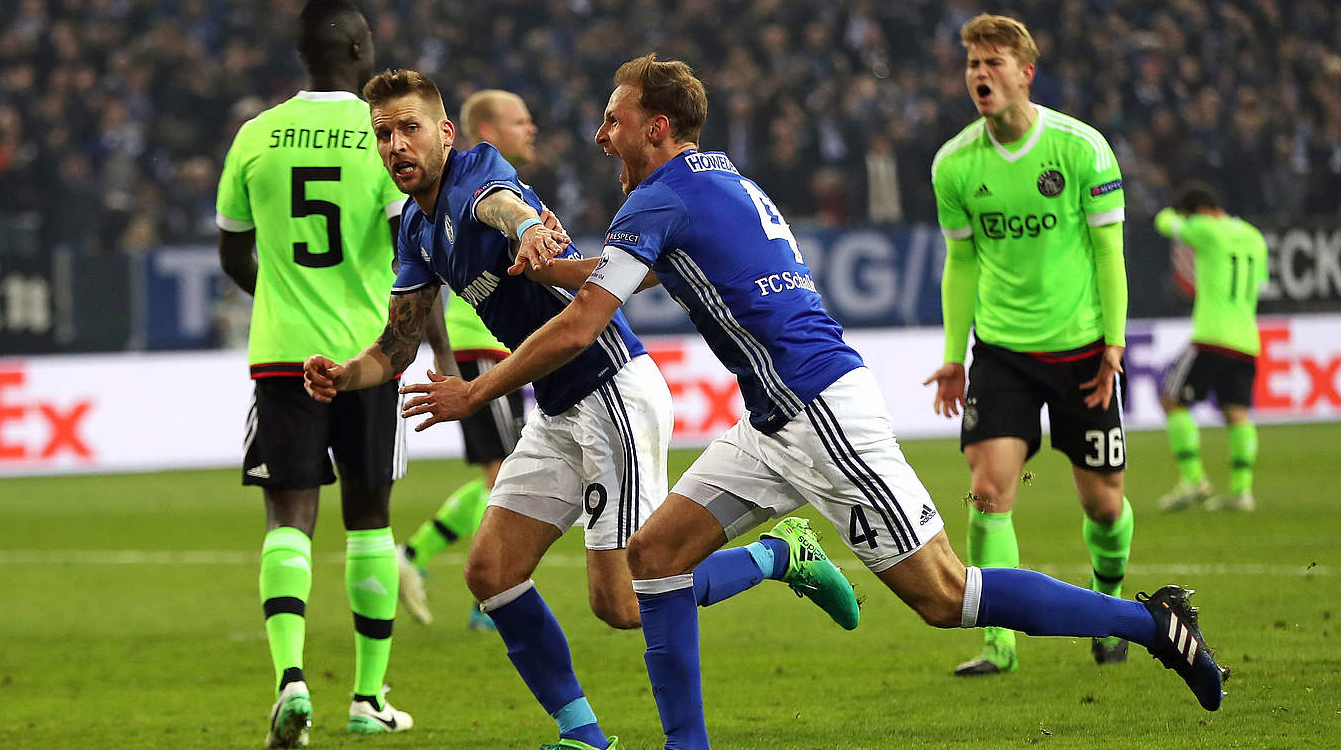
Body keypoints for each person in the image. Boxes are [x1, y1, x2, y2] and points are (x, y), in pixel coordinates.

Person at [399, 53, 1228, 749]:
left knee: (946, 596)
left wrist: (478, 388)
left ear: (655, 127)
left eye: (612, 119)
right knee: (652, 559)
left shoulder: (654, 198)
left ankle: (1150, 624)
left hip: (820, 410)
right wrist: (557, 269)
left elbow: (584, 327)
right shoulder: (706, 181)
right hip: (771, 418)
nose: (598, 134)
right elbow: (642, 271)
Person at [302, 68, 856, 750]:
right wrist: (343, 374)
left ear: (445, 132)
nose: (395, 145)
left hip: (611, 390)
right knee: (491, 573)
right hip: (560, 407)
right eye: (382, 134)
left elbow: (504, 206)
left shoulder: (478, 173)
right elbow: (394, 346)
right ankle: (584, 736)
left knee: (622, 602)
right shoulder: (416, 229)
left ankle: (780, 557)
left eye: (409, 128)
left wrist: (532, 229)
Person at [214, 0, 416, 746]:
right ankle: (366, 698)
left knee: (288, 516)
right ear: (362, 52)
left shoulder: (256, 136)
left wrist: (288, 299)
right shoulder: (384, 138)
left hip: (282, 356)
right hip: (367, 355)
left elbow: (235, 253)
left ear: (303, 56)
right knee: (370, 518)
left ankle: (291, 680)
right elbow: (411, 248)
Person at [924, 13, 1136, 676]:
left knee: (1103, 505)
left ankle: (1109, 608)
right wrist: (955, 354)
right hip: (1004, 353)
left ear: (1025, 73)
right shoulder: (955, 165)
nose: (980, 75)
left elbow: (1109, 253)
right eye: (972, 65)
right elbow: (961, 266)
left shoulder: (1082, 149)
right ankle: (999, 642)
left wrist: (1113, 343)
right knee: (988, 491)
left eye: (993, 63)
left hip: (1080, 352)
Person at [395, 89, 540, 631]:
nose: (531, 129)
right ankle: (489, 595)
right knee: (506, 475)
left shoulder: (493, 184)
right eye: (519, 120)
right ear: (485, 133)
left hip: (497, 349)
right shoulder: (472, 185)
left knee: (502, 476)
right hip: (476, 346)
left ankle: (418, 557)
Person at [1154, 182, 1267, 512]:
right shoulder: (1254, 236)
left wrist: (1176, 214)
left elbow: (1163, 223)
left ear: (1199, 212)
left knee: (1171, 399)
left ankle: (1193, 480)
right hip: (1247, 338)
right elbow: (1260, 283)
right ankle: (1241, 492)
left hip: (1212, 336)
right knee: (1237, 412)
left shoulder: (1207, 229)